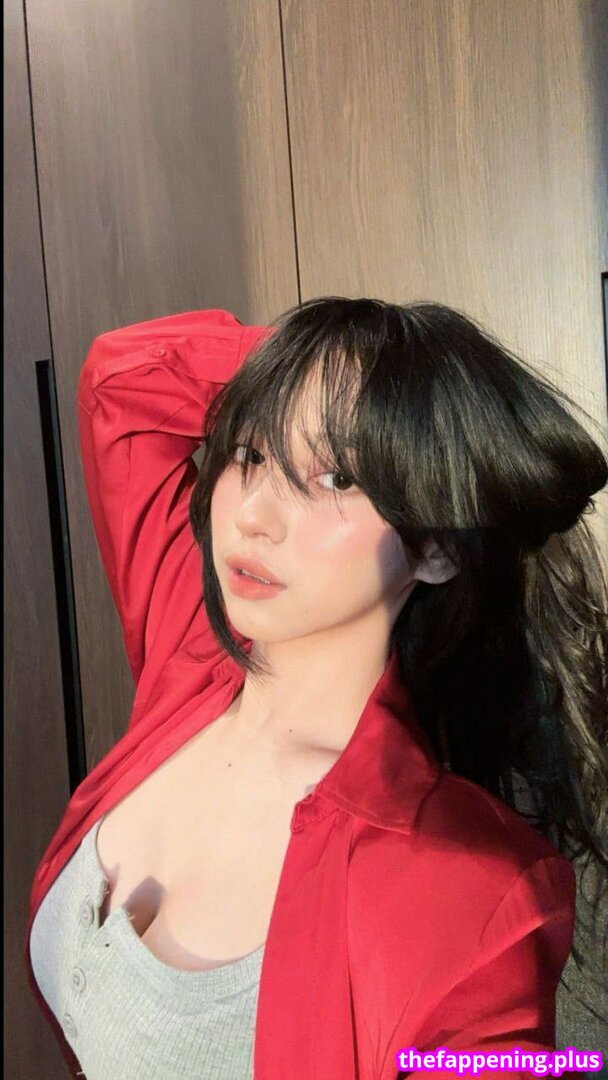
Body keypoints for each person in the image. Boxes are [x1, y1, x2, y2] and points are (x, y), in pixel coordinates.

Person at [25, 298, 607, 1080]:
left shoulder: (467, 887)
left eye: (336, 476)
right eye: (250, 454)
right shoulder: (191, 659)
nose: (253, 515)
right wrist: (320, 366)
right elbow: (123, 380)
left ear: (436, 548)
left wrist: (399, 394)